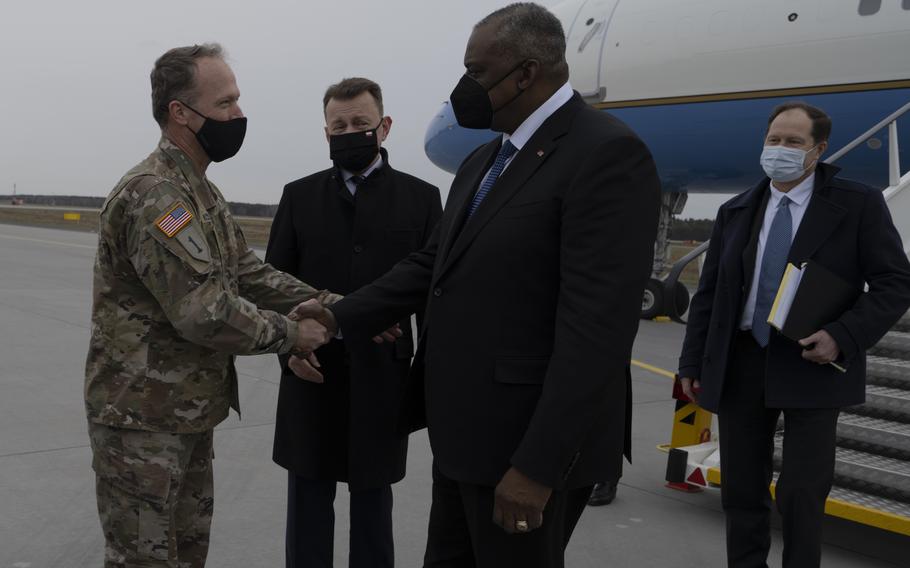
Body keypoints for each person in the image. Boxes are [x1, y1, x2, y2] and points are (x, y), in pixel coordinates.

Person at [289, 4, 661, 566]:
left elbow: (597, 331)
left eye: (476, 71)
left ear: (525, 74)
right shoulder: (485, 161)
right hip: (464, 441)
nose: (464, 87)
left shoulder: (604, 154)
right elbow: (429, 266)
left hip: (524, 451)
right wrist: (336, 317)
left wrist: (538, 466)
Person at [84, 43, 336, 568]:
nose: (238, 115)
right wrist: (293, 334)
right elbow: (203, 311)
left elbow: (248, 272)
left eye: (237, 101)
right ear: (181, 112)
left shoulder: (201, 192)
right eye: (224, 104)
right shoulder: (157, 195)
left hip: (186, 416)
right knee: (145, 561)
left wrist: (333, 305)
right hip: (143, 423)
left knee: (188, 555)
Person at [677, 101, 910, 567]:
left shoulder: (855, 203)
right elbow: (709, 295)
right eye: (773, 140)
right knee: (742, 488)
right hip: (742, 359)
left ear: (818, 150)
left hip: (811, 362)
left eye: (793, 142)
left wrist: (842, 335)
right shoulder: (737, 210)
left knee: (803, 491)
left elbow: (895, 281)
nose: (780, 150)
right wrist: (691, 363)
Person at [266, 77, 442, 568]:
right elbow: (269, 286)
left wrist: (429, 385)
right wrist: (289, 352)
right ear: (325, 133)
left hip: (382, 379)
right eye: (338, 125)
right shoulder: (298, 196)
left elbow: (433, 302)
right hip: (311, 372)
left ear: (384, 127)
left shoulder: (423, 199)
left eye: (360, 124)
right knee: (307, 507)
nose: (349, 132)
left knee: (372, 508)